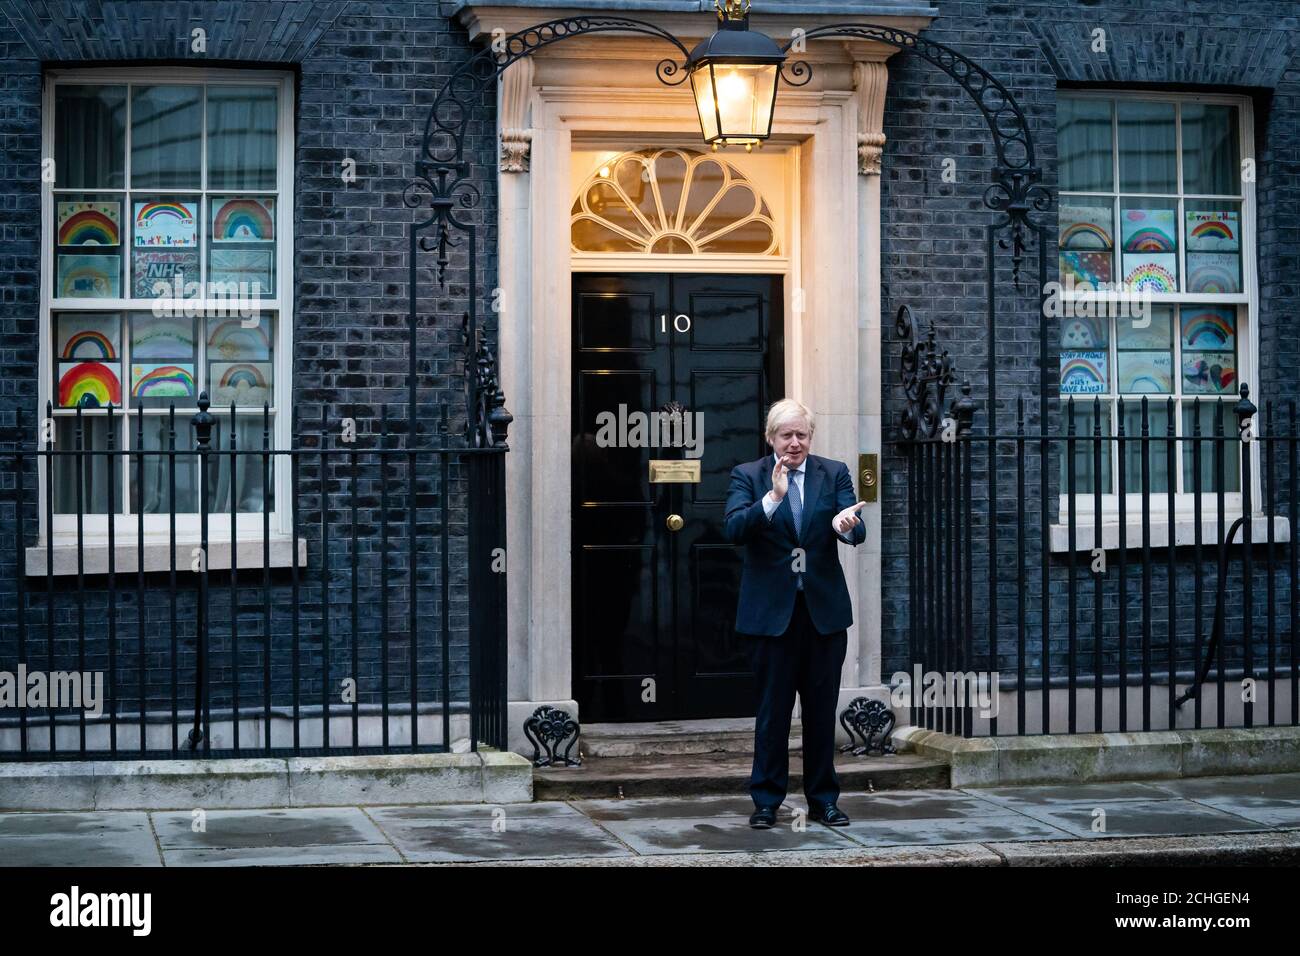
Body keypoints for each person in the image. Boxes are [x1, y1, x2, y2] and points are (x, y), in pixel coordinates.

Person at [723, 398, 866, 829]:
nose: (795, 442)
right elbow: (733, 529)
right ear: (771, 438)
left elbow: (855, 528)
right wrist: (772, 498)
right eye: (786, 434)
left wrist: (847, 527)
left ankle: (824, 800)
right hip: (771, 618)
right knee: (773, 714)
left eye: (802, 434)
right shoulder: (748, 475)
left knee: (822, 714)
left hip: (822, 616)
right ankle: (766, 801)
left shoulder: (834, 472)